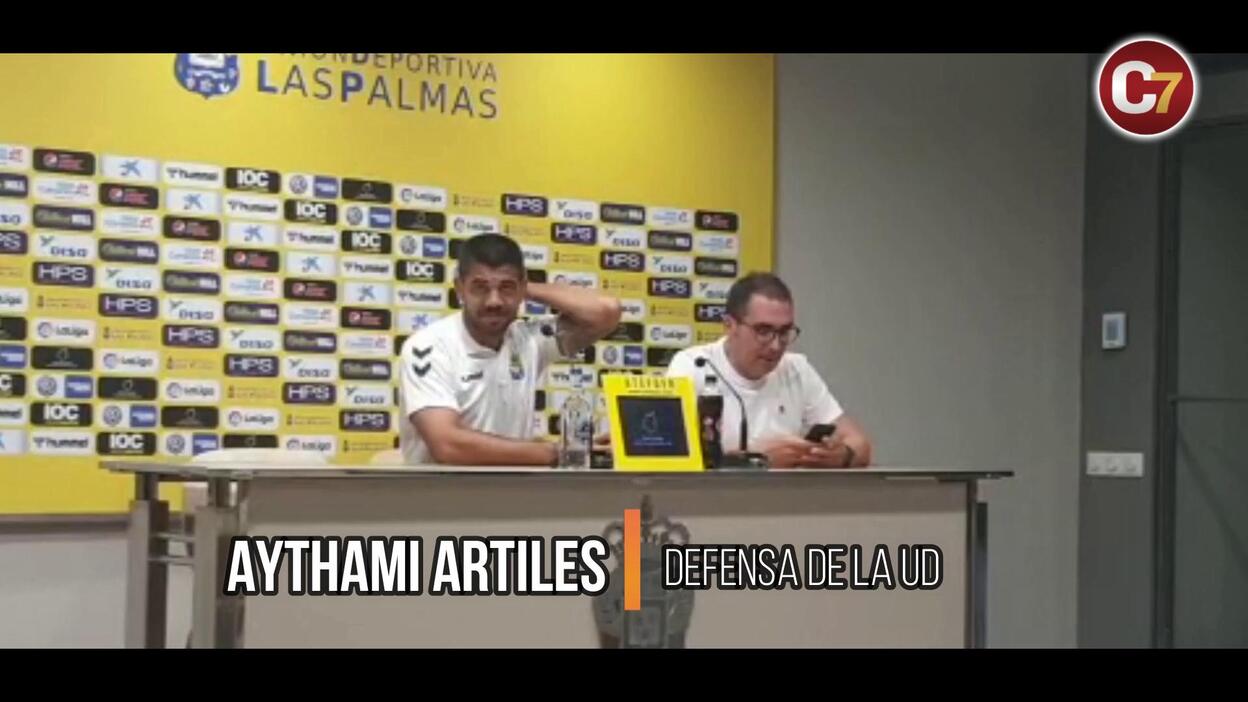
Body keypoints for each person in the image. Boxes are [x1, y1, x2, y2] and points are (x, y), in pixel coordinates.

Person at [398, 233, 621, 465]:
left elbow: (606, 311)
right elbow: (448, 445)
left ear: (522, 288)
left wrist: (525, 288)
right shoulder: (429, 347)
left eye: (506, 288)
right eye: (480, 287)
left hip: (515, 486)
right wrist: (559, 452)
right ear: (459, 288)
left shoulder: (528, 339)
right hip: (442, 488)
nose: (494, 301)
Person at [665, 272, 872, 468]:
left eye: (784, 332)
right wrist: (758, 462)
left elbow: (860, 444)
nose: (775, 345)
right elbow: (670, 461)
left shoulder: (796, 369)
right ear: (729, 326)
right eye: (763, 331)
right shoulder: (692, 366)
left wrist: (840, 456)